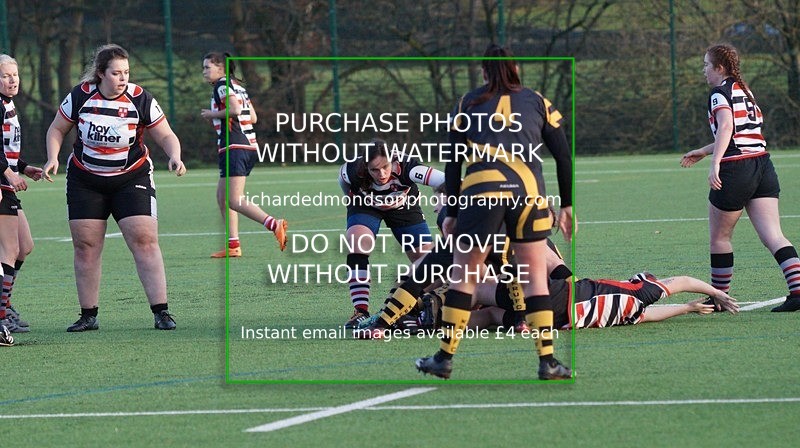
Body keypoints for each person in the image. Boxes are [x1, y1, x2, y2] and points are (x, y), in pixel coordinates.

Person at [415, 44, 575, 380]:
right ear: (517, 69)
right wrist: (567, 205)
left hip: (481, 194)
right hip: (528, 194)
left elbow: (454, 161)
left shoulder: (467, 102)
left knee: (464, 279)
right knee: (535, 283)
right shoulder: (537, 100)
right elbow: (563, 156)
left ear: (484, 72)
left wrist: (453, 211)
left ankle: (444, 358)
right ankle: (548, 361)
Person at [42, 44, 187, 331]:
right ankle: (88, 316)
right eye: (116, 73)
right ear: (100, 74)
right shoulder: (81, 95)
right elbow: (57, 129)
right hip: (86, 179)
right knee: (86, 246)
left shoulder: (140, 98)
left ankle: (161, 312)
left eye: (126, 72)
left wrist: (175, 155)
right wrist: (52, 158)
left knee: (144, 240)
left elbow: (166, 134)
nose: (123, 78)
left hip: (131, 178)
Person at [681, 43, 800, 312]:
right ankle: (798, 291)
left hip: (736, 168)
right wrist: (703, 150)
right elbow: (743, 133)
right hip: (762, 166)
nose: (704, 71)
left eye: (706, 65)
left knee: (720, 238)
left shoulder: (718, 93)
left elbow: (727, 127)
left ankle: (720, 298)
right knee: (774, 235)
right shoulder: (745, 91)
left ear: (719, 68)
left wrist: (715, 164)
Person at [339, 138, 444, 328]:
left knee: (428, 260)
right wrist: (353, 202)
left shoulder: (408, 168)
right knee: (357, 243)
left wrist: (443, 201)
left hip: (404, 206)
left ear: (393, 159)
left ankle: (415, 305)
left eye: (386, 167)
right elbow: (343, 181)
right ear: (366, 166)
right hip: (366, 205)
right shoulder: (354, 170)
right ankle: (360, 311)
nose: (382, 174)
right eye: (375, 170)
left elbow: (445, 180)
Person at [200, 52, 287, 258]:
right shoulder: (237, 86)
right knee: (223, 197)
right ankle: (233, 245)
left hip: (236, 146)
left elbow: (236, 110)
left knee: (234, 199)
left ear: (221, 69)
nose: (204, 71)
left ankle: (275, 224)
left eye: (207, 67)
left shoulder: (222, 85)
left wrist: (213, 114)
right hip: (245, 146)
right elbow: (253, 117)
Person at [0, 54, 46, 334]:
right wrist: (8, 174)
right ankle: (1, 314)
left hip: (6, 181)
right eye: (5, 76)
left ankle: (4, 305)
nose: (12, 80)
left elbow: (7, 150)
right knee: (9, 250)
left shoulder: (8, 104)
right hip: (1, 184)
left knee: (24, 246)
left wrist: (24, 167)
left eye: (14, 74)